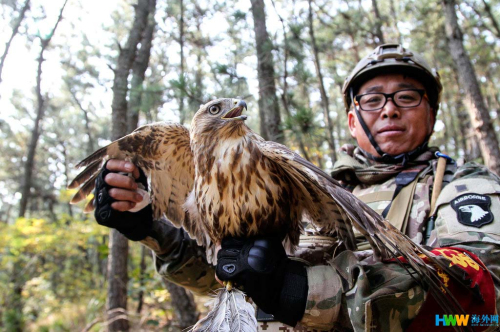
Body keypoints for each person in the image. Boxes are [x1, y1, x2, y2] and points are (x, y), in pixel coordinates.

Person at [93, 44, 500, 331]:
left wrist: (303, 291)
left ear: (432, 112)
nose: (390, 108)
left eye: (407, 97)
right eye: (373, 99)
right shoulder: (309, 185)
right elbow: (228, 274)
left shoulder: (463, 187)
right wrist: (153, 231)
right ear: (352, 120)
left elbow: (483, 309)